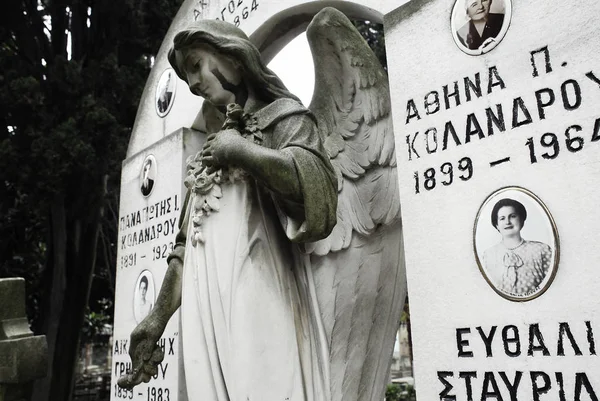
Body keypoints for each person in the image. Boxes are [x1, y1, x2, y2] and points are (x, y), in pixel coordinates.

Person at [119, 19, 337, 401]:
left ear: (234, 59)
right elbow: (187, 244)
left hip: (262, 301)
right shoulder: (212, 149)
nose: (194, 83)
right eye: (187, 78)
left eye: (197, 66)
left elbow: (317, 194)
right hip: (208, 312)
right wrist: (157, 318)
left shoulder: (284, 119)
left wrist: (242, 152)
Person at [481, 198, 553, 296]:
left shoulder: (542, 250)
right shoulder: (488, 255)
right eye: (502, 218)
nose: (507, 222)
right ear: (497, 225)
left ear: (522, 220)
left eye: (513, 216)